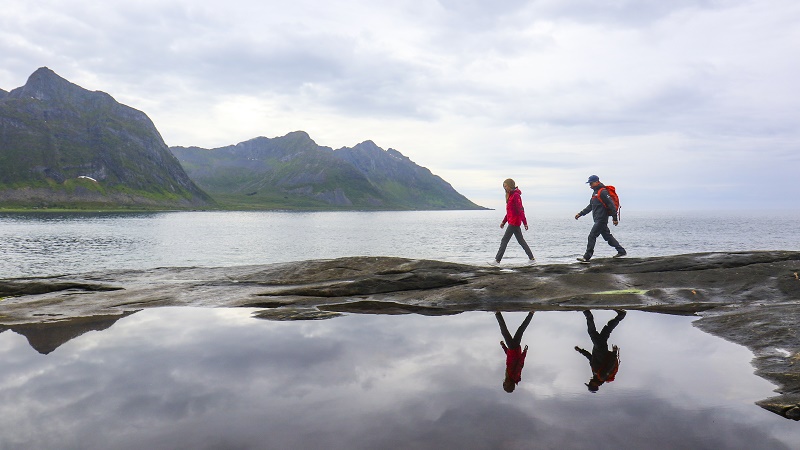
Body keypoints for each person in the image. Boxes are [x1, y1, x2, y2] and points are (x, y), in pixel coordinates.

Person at [574, 175, 626, 263]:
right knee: (607, 236)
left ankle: (587, 257)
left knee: (592, 236)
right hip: (597, 219)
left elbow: (611, 205)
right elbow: (591, 206)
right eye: (589, 184)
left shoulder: (603, 192)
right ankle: (621, 251)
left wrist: (615, 218)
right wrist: (580, 213)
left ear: (597, 182)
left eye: (591, 183)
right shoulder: (595, 193)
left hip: (601, 219)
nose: (590, 186)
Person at [574, 309, 626, 392]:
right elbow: (610, 365)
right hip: (601, 348)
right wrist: (614, 352)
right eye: (590, 384)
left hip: (598, 348)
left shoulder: (595, 375)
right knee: (592, 332)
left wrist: (580, 350)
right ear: (595, 385)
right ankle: (587, 313)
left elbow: (591, 358)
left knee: (607, 329)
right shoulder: (602, 376)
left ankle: (621, 315)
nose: (589, 382)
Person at [493, 178, 535, 265]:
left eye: (506, 186)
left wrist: (525, 222)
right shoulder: (510, 196)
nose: (505, 188)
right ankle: (532, 259)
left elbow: (520, 209)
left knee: (504, 240)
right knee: (521, 241)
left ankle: (497, 261)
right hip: (512, 222)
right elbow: (509, 212)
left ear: (510, 185)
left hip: (514, 222)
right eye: (504, 187)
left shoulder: (516, 195)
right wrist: (503, 222)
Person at [496, 311, 534, 392]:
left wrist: (503, 346)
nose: (504, 383)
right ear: (509, 385)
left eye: (503, 385)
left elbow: (509, 357)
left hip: (512, 349)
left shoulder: (508, 376)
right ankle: (497, 313)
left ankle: (531, 313)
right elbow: (520, 363)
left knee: (520, 330)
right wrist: (524, 352)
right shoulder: (515, 376)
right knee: (505, 332)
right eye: (505, 385)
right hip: (514, 349)